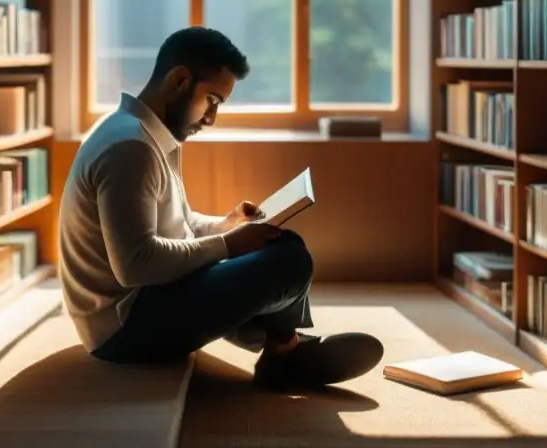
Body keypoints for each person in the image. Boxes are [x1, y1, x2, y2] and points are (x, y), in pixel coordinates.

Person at [58, 26, 384, 389]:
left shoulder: (144, 135)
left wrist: (226, 226)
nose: (211, 118)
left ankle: (284, 349)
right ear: (180, 80)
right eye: (212, 99)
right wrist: (230, 246)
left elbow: (177, 226)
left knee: (278, 243)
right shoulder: (130, 148)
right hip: (124, 329)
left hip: (146, 302)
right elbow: (135, 265)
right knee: (290, 260)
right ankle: (285, 353)